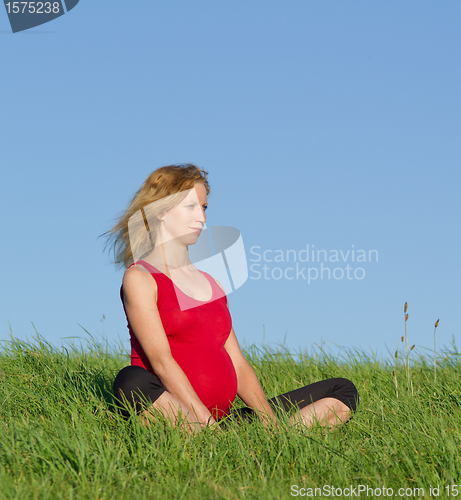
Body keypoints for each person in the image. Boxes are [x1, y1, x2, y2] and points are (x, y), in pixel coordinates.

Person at [102, 163, 359, 432]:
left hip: (225, 421)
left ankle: (261, 438)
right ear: (162, 212)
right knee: (130, 381)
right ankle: (206, 435)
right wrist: (204, 421)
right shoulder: (141, 278)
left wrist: (270, 423)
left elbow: (237, 362)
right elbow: (161, 362)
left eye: (203, 208)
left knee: (342, 389)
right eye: (190, 207)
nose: (201, 218)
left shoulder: (210, 283)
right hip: (180, 411)